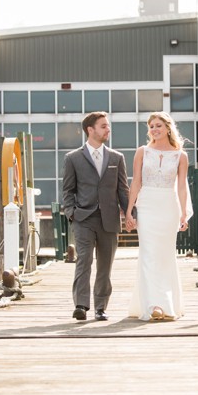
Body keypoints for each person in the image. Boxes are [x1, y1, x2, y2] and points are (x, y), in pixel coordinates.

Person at [61, 111, 129, 321]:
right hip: (84, 218)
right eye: (103, 126)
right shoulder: (73, 158)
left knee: (105, 264)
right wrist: (71, 213)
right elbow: (67, 190)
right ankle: (81, 305)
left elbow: (123, 190)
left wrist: (129, 214)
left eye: (108, 126)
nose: (108, 129)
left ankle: (101, 306)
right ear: (90, 130)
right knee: (84, 261)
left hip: (109, 219)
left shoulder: (117, 158)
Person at [125, 111, 192, 321]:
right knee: (148, 254)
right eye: (152, 126)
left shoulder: (181, 156)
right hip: (146, 206)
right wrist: (129, 210)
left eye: (158, 125)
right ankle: (153, 304)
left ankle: (166, 303)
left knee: (164, 256)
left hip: (168, 207)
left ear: (168, 128)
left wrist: (183, 213)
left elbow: (181, 187)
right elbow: (136, 182)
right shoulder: (142, 152)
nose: (154, 129)